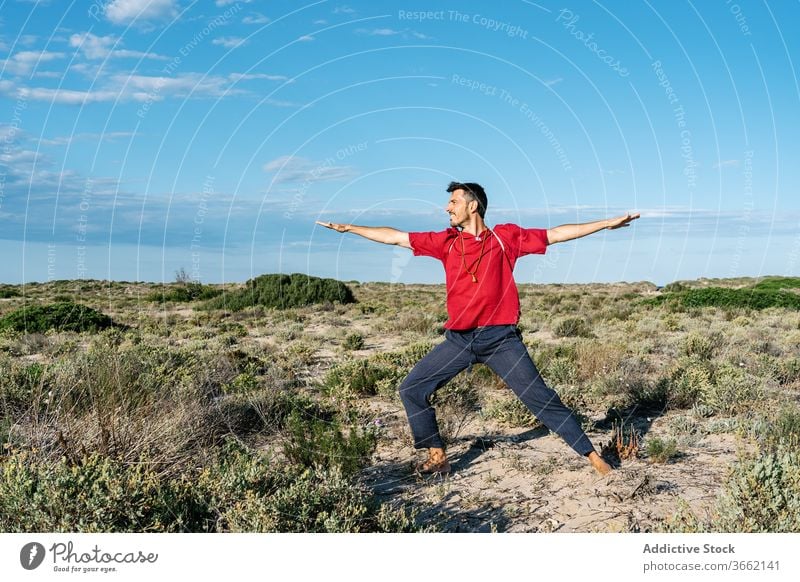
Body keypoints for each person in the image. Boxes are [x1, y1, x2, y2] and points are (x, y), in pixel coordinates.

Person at [316, 181, 639, 476]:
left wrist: (606, 224)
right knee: (411, 388)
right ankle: (437, 456)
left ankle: (594, 458)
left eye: (453, 201)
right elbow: (396, 236)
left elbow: (556, 234)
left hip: (500, 339)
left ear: (473, 205)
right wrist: (350, 228)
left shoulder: (505, 238)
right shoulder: (444, 242)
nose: (447, 208)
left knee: (540, 398)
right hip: (460, 340)